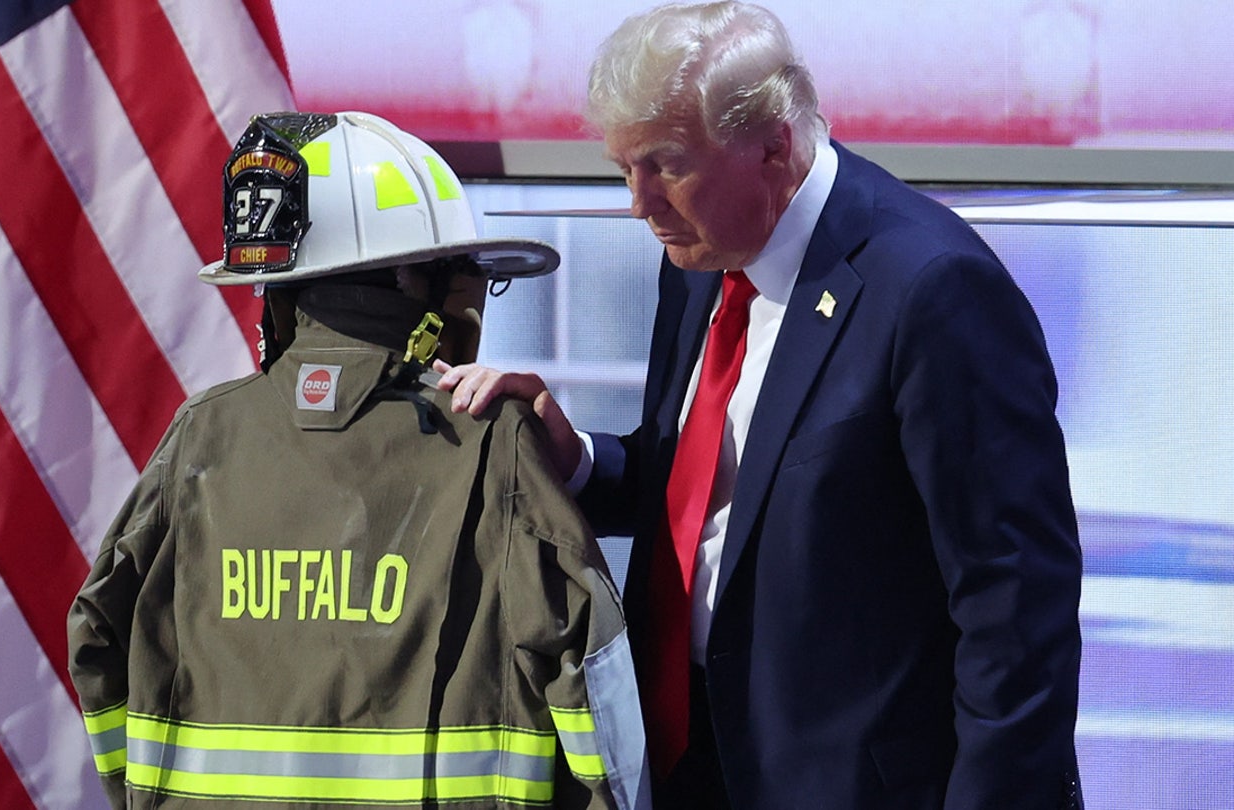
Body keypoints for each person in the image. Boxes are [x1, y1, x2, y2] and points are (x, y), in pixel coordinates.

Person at [437, 3, 1085, 808]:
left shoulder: (934, 292)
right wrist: (577, 461)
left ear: (775, 143)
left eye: (665, 164)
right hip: (689, 766)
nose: (639, 203)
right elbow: (713, 492)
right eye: (622, 168)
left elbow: (1017, 611)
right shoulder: (703, 253)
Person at [68, 111, 650, 810]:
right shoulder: (491, 442)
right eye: (467, 276)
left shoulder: (199, 437)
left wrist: (142, 793)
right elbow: (592, 667)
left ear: (280, 299)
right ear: (423, 286)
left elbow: (96, 634)